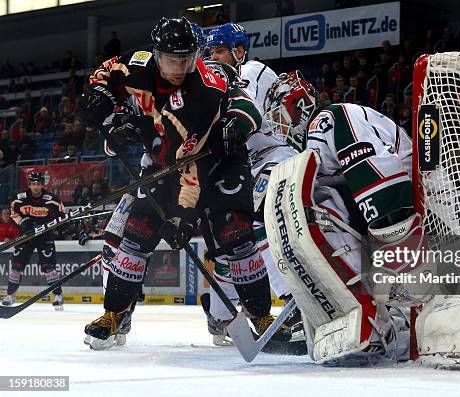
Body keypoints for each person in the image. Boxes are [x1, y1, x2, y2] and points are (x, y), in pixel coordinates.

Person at [76, 17, 288, 350]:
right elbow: (107, 73)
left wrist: (235, 124)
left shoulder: (211, 81)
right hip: (168, 165)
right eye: (173, 59)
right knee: (138, 232)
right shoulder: (138, 67)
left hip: (218, 164)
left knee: (236, 235)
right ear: (157, 54)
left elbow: (247, 105)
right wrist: (99, 96)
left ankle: (261, 317)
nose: (179, 67)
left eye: (187, 59)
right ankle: (114, 314)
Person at [263, 71, 417, 364]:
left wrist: (393, 232)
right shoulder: (310, 142)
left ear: (298, 106)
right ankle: (375, 314)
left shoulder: (328, 119)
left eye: (279, 114)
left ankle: (385, 318)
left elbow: (372, 165)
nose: (277, 125)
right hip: (408, 199)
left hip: (413, 200)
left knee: (322, 201)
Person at [205, 23, 301, 341]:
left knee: (255, 224)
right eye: (211, 51)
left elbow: (248, 117)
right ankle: (221, 317)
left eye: (220, 50)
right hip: (246, 162)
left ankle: (293, 300)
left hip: (276, 154)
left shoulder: (252, 70)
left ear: (239, 51)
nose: (213, 56)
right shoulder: (211, 82)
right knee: (227, 241)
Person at [2, 172, 65, 310]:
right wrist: (22, 222)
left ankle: (58, 296)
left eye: (38, 184)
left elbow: (62, 216)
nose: (36, 187)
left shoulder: (52, 199)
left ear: (43, 184)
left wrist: (56, 226)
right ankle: (10, 295)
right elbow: (12, 212)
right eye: (33, 184)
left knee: (49, 267)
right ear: (29, 185)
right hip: (26, 236)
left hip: (45, 236)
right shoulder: (19, 198)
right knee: (16, 266)